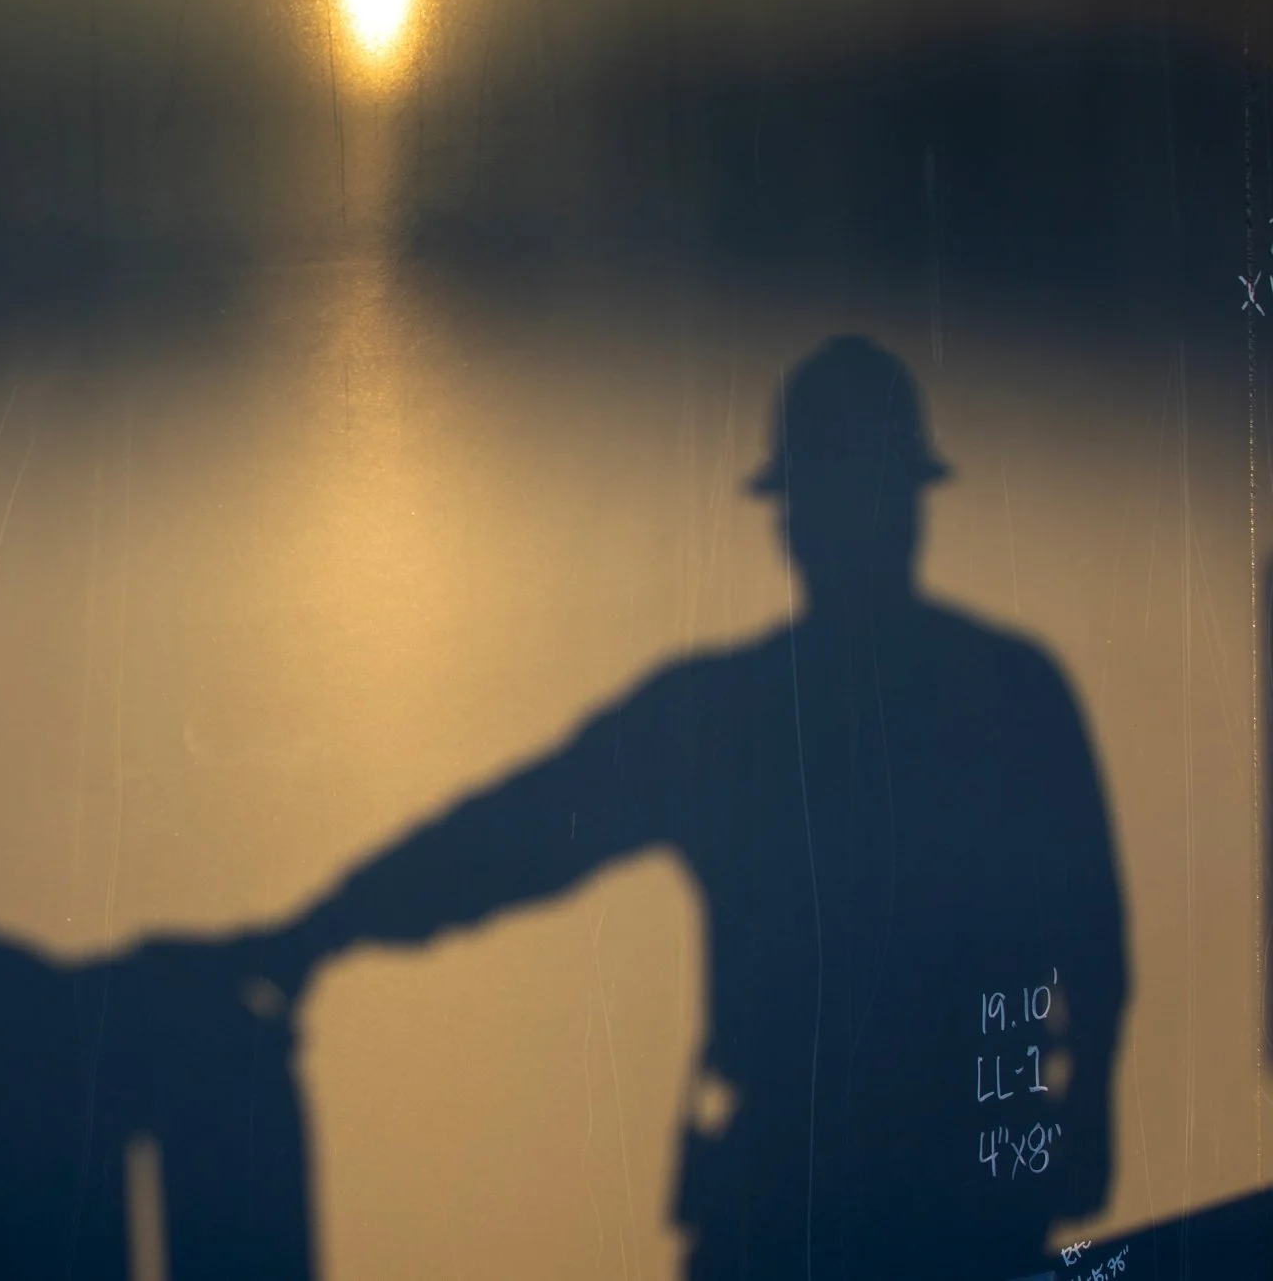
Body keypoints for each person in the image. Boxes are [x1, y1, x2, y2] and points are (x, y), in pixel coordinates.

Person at [248, 336, 1127, 1281]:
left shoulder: (734, 716)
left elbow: (510, 838)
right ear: (907, 510)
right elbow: (1095, 950)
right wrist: (1076, 1126)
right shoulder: (1004, 694)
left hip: (803, 1206)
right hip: (943, 1208)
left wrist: (314, 933)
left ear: (791, 523)